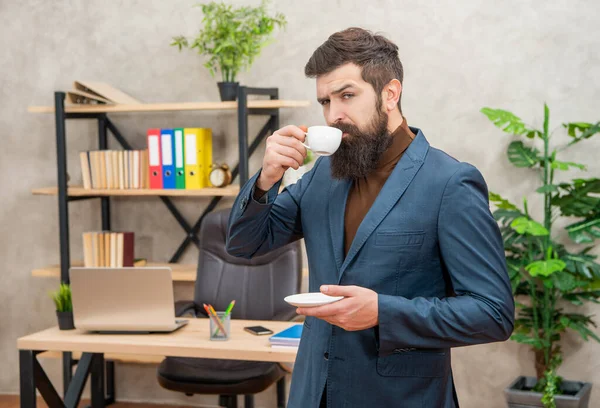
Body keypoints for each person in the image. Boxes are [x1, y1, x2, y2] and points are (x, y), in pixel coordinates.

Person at [226, 27, 514, 408]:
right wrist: (266, 179)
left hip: (402, 398)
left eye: (347, 95)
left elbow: (492, 313)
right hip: (313, 393)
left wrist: (383, 311)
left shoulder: (450, 183)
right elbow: (245, 245)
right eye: (325, 102)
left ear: (390, 93)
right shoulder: (322, 177)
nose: (333, 115)